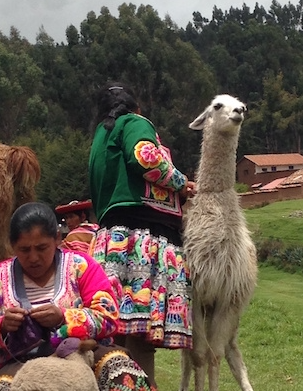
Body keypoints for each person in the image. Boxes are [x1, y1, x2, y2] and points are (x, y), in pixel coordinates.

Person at [0, 202, 155, 391]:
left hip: (83, 354)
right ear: (12, 245)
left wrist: (64, 317)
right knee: (4, 386)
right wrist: (2, 326)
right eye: (25, 250)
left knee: (119, 369)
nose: (34, 257)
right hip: (19, 364)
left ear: (57, 238)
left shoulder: (81, 267)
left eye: (41, 248)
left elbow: (109, 318)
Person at [88, 82, 195, 386]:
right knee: (142, 332)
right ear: (137, 109)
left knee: (118, 328)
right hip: (142, 240)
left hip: (112, 241)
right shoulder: (134, 123)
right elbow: (145, 157)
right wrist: (180, 182)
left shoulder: (101, 136)